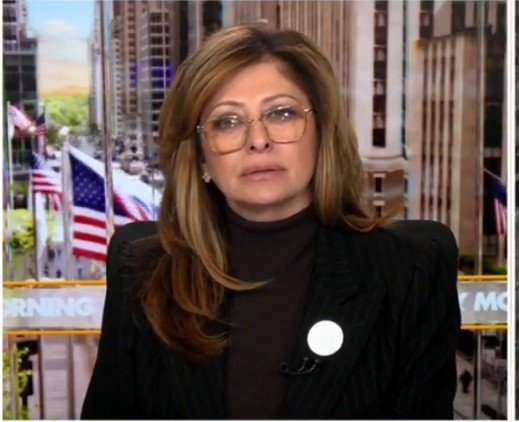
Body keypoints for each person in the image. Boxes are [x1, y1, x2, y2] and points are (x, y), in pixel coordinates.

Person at [81, 25, 460, 419]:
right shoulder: (141, 270)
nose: (257, 140)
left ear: (320, 133)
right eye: (227, 122)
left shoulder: (412, 269)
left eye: (281, 113)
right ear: (200, 156)